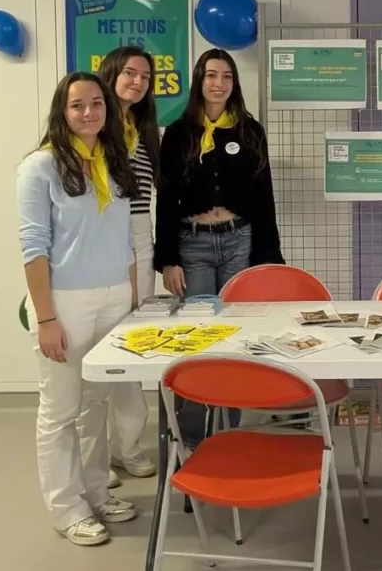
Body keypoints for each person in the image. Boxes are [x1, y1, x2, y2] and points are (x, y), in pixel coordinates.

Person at [17, 72, 140, 546]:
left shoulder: (113, 159)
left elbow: (125, 238)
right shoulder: (40, 166)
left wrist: (131, 300)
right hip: (65, 302)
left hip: (113, 296)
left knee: (97, 403)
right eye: (77, 106)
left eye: (96, 104)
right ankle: (67, 509)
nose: (88, 113)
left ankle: (94, 492)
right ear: (61, 112)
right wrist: (45, 318)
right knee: (61, 408)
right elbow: (33, 247)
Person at [155, 48, 284, 446]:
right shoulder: (179, 133)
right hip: (193, 245)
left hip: (238, 240)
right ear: (199, 80)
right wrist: (168, 259)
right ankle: (192, 436)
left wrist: (268, 258)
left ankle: (228, 428)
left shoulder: (249, 131)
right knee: (199, 336)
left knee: (235, 334)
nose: (219, 84)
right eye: (212, 75)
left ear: (234, 83)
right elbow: (166, 198)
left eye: (227, 76)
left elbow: (264, 197)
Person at [96, 47, 159, 487]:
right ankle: (96, 456)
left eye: (145, 76)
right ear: (111, 73)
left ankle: (129, 446)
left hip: (140, 230)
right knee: (98, 348)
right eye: (130, 73)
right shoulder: (94, 123)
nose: (137, 81)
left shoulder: (144, 128)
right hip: (102, 230)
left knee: (134, 343)